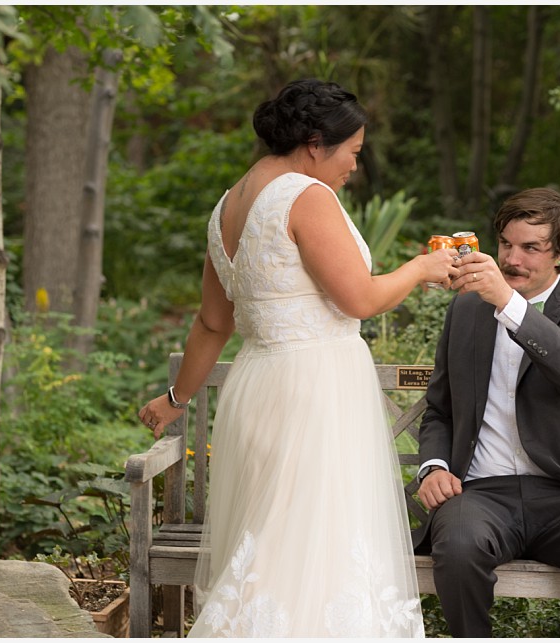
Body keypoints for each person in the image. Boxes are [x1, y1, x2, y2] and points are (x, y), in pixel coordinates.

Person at [138, 78, 458, 637]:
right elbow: (358, 298)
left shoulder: (227, 205)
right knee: (315, 540)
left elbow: (213, 321)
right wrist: (421, 269)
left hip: (261, 385)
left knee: (278, 540)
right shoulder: (305, 196)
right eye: (352, 153)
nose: (353, 167)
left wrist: (175, 398)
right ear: (316, 142)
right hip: (315, 390)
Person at [414, 187, 560, 638]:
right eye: (506, 245)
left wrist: (509, 304)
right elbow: (440, 408)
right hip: (481, 493)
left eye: (530, 248)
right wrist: (434, 466)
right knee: (458, 546)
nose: (512, 259)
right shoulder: (465, 309)